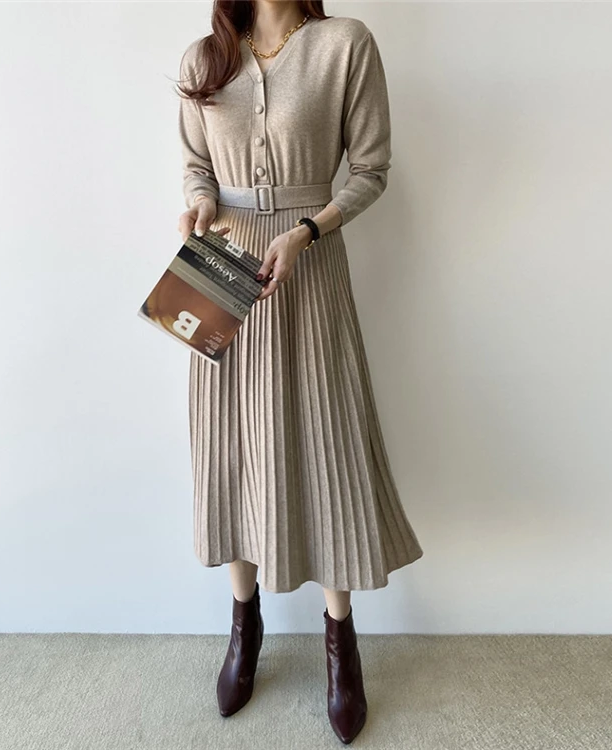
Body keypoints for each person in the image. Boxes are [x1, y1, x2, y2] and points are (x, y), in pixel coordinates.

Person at [174, 1, 423, 743]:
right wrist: (198, 203)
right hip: (219, 265)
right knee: (231, 445)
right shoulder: (204, 57)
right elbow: (195, 165)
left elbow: (371, 169)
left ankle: (340, 641)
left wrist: (308, 230)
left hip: (307, 265)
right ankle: (243, 626)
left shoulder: (345, 44)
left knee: (326, 443)